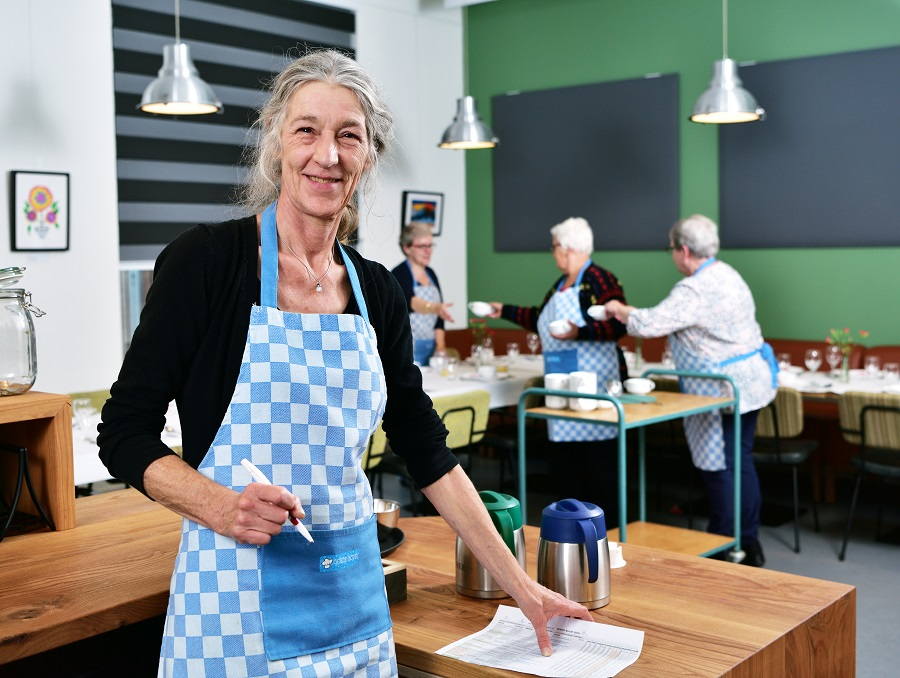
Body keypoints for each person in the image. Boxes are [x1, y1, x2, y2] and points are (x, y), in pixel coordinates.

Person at [97, 50, 590, 675]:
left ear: (369, 156)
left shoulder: (376, 291)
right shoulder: (206, 265)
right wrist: (220, 505)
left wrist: (523, 587)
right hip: (232, 597)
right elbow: (122, 432)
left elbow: (427, 451)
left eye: (348, 136)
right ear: (277, 142)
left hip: (349, 596)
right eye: (307, 130)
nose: (326, 155)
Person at [605, 214, 777, 567]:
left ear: (684, 250)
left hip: (725, 390)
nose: (672, 255)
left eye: (671, 249)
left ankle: (727, 544)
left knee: (722, 466)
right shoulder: (728, 274)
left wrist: (620, 309)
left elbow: (650, 323)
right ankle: (747, 540)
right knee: (741, 461)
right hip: (754, 380)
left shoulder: (694, 288)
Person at [485, 217, 628, 526]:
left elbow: (618, 324)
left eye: (554, 247)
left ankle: (606, 531)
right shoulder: (561, 285)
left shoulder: (601, 281)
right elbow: (540, 317)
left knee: (597, 466)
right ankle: (570, 528)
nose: (553, 254)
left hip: (594, 388)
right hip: (560, 386)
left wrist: (580, 332)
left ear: (569, 248)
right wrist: (504, 311)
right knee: (567, 466)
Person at [390, 223, 454, 365]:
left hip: (432, 349)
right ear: (406, 248)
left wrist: (441, 346)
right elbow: (411, 303)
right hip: (407, 348)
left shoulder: (431, 274)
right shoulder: (399, 274)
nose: (428, 251)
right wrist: (435, 308)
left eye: (430, 246)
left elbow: (439, 318)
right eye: (422, 246)